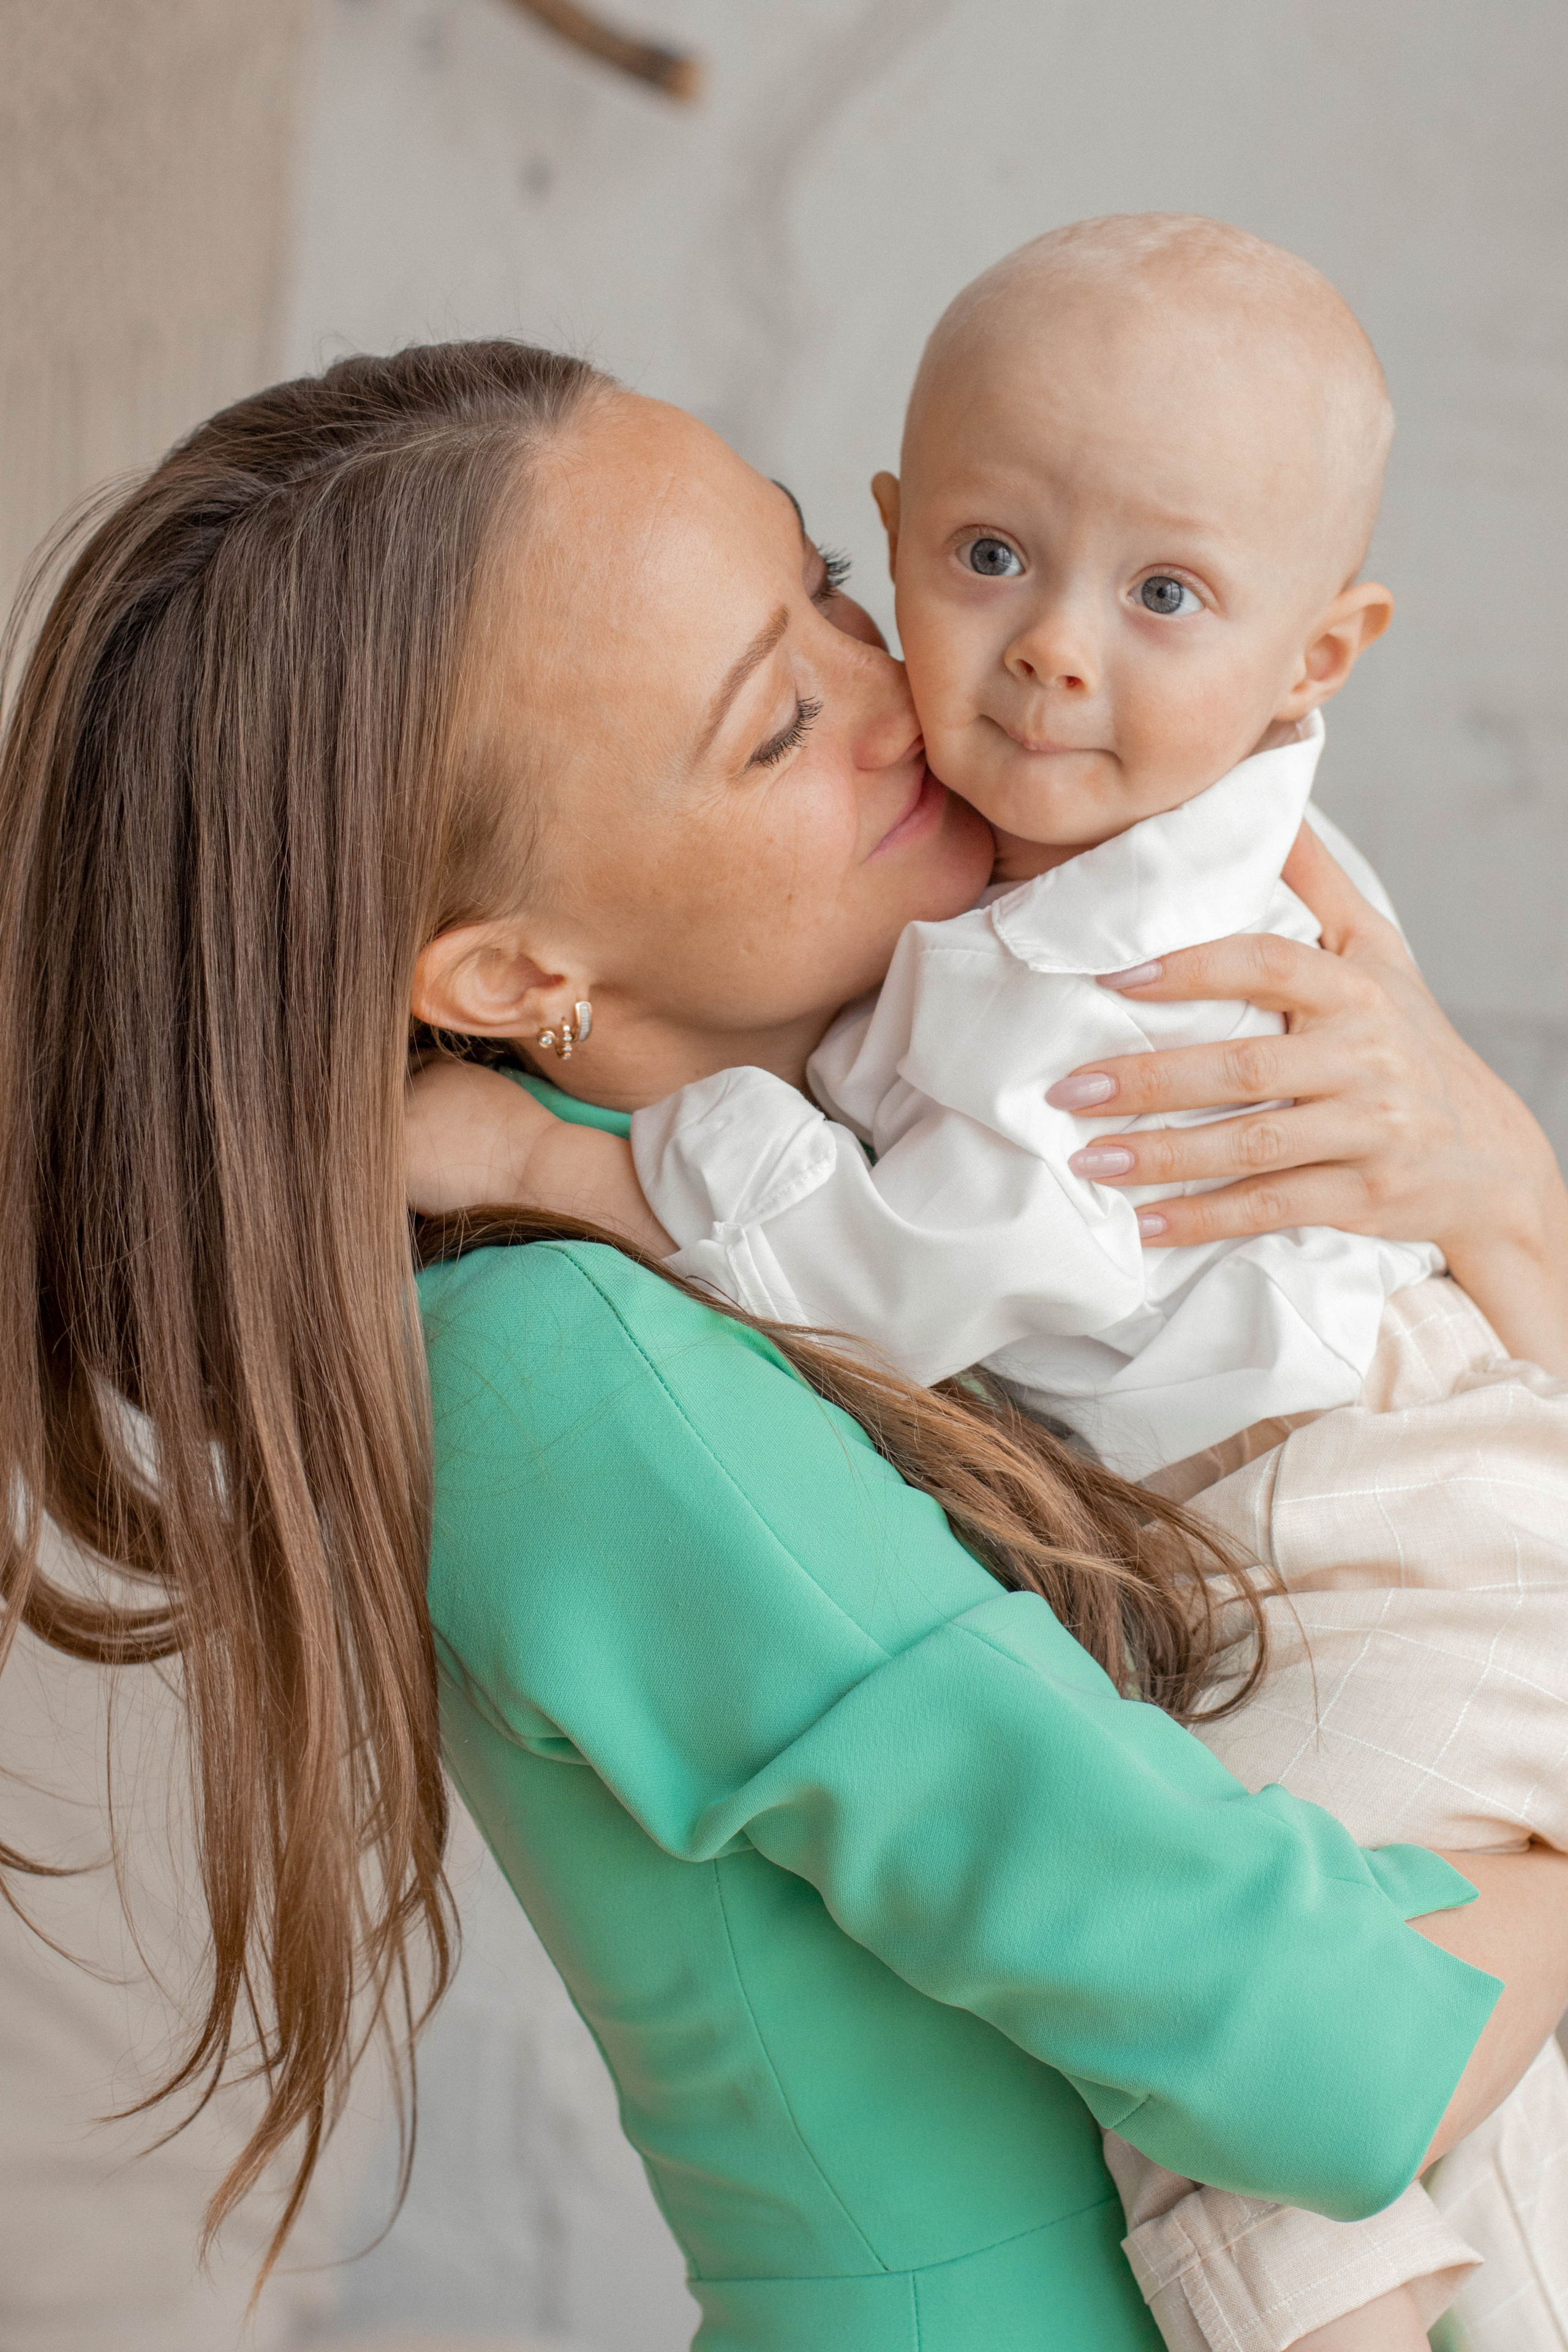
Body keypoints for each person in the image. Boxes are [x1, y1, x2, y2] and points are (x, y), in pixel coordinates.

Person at [6, 342, 1568, 2352]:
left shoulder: (916, 1135)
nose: (913, 687)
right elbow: (1308, 2043)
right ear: (514, 974)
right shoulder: (561, 1364)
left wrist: (1495, 1189)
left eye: (831, 582)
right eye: (772, 729)